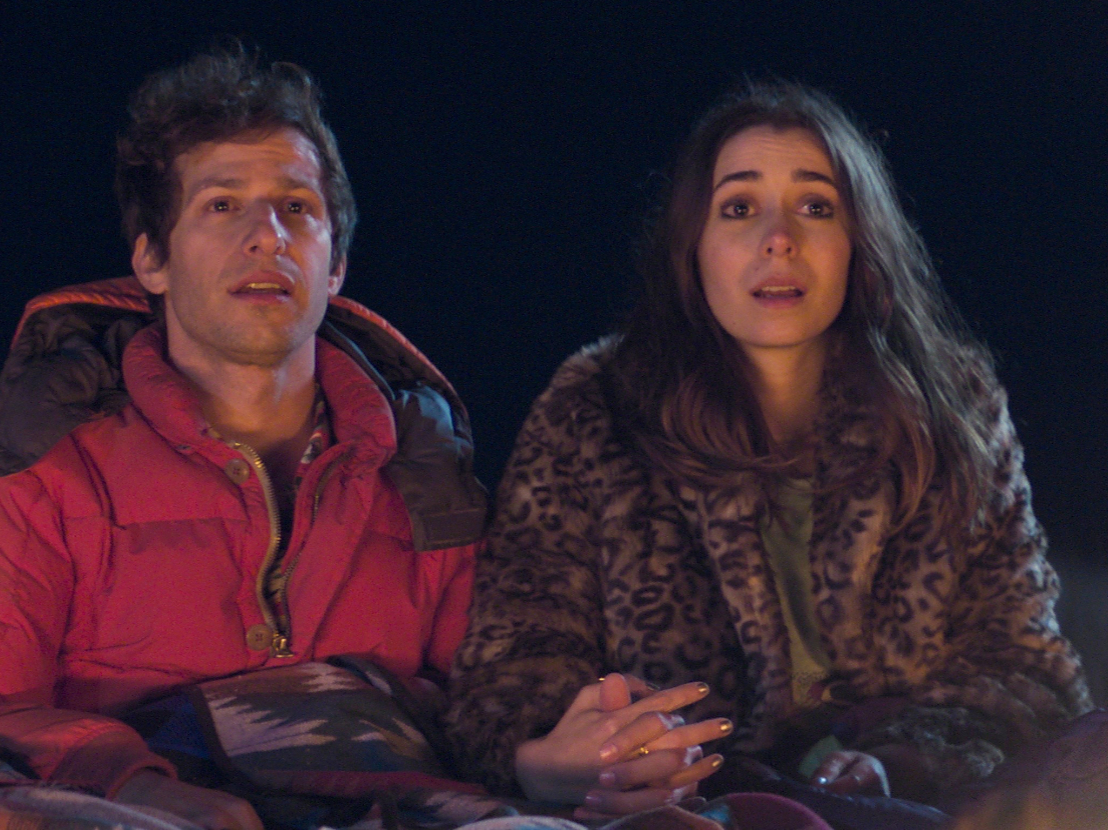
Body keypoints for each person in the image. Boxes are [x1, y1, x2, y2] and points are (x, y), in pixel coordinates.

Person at [0, 49, 485, 830]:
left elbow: (503, 700)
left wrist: (573, 751)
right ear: (151, 259)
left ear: (336, 266)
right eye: (222, 205)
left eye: (297, 207)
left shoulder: (426, 481)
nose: (267, 236)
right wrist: (132, 786)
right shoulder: (44, 472)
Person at [444, 81, 1091, 818]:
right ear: (694, 247)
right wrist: (549, 761)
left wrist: (900, 762)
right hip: (690, 807)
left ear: (860, 242)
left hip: (921, 808)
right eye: (739, 208)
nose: (779, 238)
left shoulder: (951, 409)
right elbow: (510, 672)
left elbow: (1024, 670)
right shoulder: (595, 410)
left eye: (816, 207)